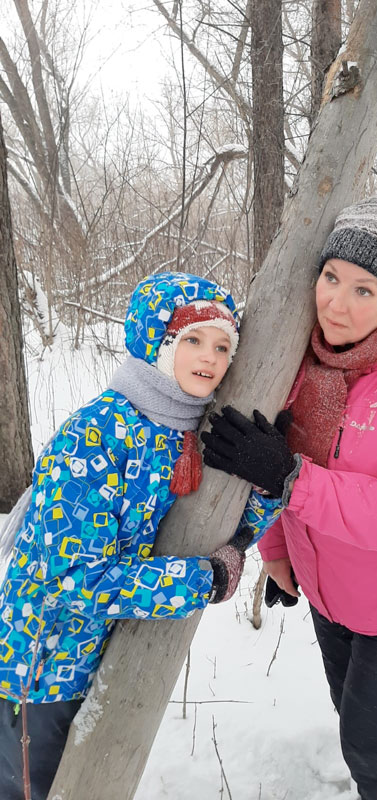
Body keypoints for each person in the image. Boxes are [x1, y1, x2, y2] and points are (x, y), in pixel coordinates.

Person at [201, 194, 377, 800]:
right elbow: (265, 459)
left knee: (374, 752)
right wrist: (276, 550)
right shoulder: (298, 357)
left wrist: (291, 479)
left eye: (364, 290)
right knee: (355, 725)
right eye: (331, 278)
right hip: (329, 592)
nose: (335, 302)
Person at [0, 271, 281, 800]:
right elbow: (76, 580)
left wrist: (270, 486)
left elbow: (220, 529)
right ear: (154, 343)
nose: (211, 356)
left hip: (106, 660)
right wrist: (203, 580)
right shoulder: (97, 435)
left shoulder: (186, 434)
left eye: (224, 345)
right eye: (192, 339)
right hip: (40, 668)